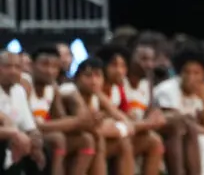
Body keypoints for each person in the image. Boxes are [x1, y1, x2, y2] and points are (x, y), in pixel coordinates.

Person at [153, 42, 204, 175]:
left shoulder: (201, 91)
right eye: (187, 72)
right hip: (170, 137)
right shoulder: (168, 90)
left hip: (191, 136)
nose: (191, 77)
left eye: (196, 73)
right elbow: (179, 124)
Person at [26, 46, 98, 175]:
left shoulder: (52, 88)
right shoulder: (25, 84)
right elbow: (29, 126)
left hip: (43, 135)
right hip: (26, 135)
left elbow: (60, 119)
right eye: (44, 65)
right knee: (57, 138)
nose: (50, 71)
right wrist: (76, 122)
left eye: (55, 67)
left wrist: (80, 122)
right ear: (32, 65)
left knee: (87, 139)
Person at [96, 44, 166, 175]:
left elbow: (127, 119)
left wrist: (143, 121)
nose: (119, 71)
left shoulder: (118, 89)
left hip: (113, 136)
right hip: (98, 140)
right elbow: (119, 125)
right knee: (124, 143)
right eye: (114, 65)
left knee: (153, 140)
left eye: (123, 66)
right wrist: (148, 123)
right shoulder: (96, 89)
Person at [60, 58, 136, 175]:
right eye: (88, 76)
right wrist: (114, 126)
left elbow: (126, 123)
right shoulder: (69, 91)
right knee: (95, 138)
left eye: (98, 76)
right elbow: (87, 124)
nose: (94, 81)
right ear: (77, 78)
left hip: (83, 138)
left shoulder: (97, 94)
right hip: (65, 139)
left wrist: (115, 125)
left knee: (123, 143)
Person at [0, 52, 46, 173]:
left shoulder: (19, 90)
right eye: (7, 66)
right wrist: (13, 135)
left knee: (41, 150)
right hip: (6, 142)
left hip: (18, 144)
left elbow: (30, 127)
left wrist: (36, 143)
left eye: (17, 67)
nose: (13, 71)